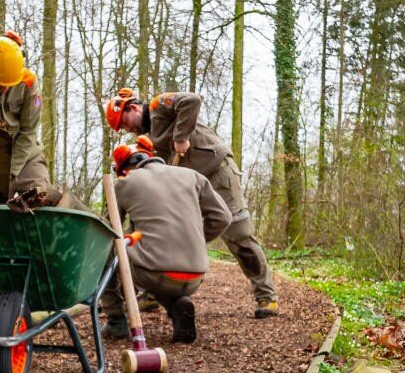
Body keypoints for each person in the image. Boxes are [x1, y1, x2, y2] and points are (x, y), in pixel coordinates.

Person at [104, 88, 279, 316]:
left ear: (133, 107)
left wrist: (181, 137)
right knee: (165, 231)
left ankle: (266, 296)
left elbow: (192, 100)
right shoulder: (149, 141)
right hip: (190, 188)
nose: (127, 129)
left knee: (238, 234)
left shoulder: (159, 106)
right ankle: (150, 294)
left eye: (124, 123)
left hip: (217, 173)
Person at [104, 146, 232, 344]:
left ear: (126, 170)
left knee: (109, 253)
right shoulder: (194, 176)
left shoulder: (125, 183)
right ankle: (177, 306)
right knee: (154, 261)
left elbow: (108, 232)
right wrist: (196, 240)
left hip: (153, 272)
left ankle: (116, 321)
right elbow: (223, 217)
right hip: (195, 276)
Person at [0, 32, 74, 209]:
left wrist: (11, 172)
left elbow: (29, 132)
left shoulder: (29, 83)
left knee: (40, 197)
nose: (5, 88)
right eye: (0, 83)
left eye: (10, 84)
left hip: (28, 155)